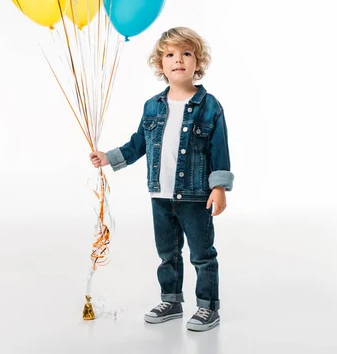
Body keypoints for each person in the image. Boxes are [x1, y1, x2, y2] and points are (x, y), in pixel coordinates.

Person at [89, 27, 234, 332]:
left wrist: (218, 187)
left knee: (202, 254)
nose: (177, 60)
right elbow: (138, 143)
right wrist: (108, 158)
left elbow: (218, 149)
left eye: (186, 53)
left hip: (195, 196)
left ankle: (208, 307)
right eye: (169, 54)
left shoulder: (209, 106)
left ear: (198, 62)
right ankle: (171, 300)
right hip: (160, 196)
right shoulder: (153, 106)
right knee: (167, 253)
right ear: (160, 64)